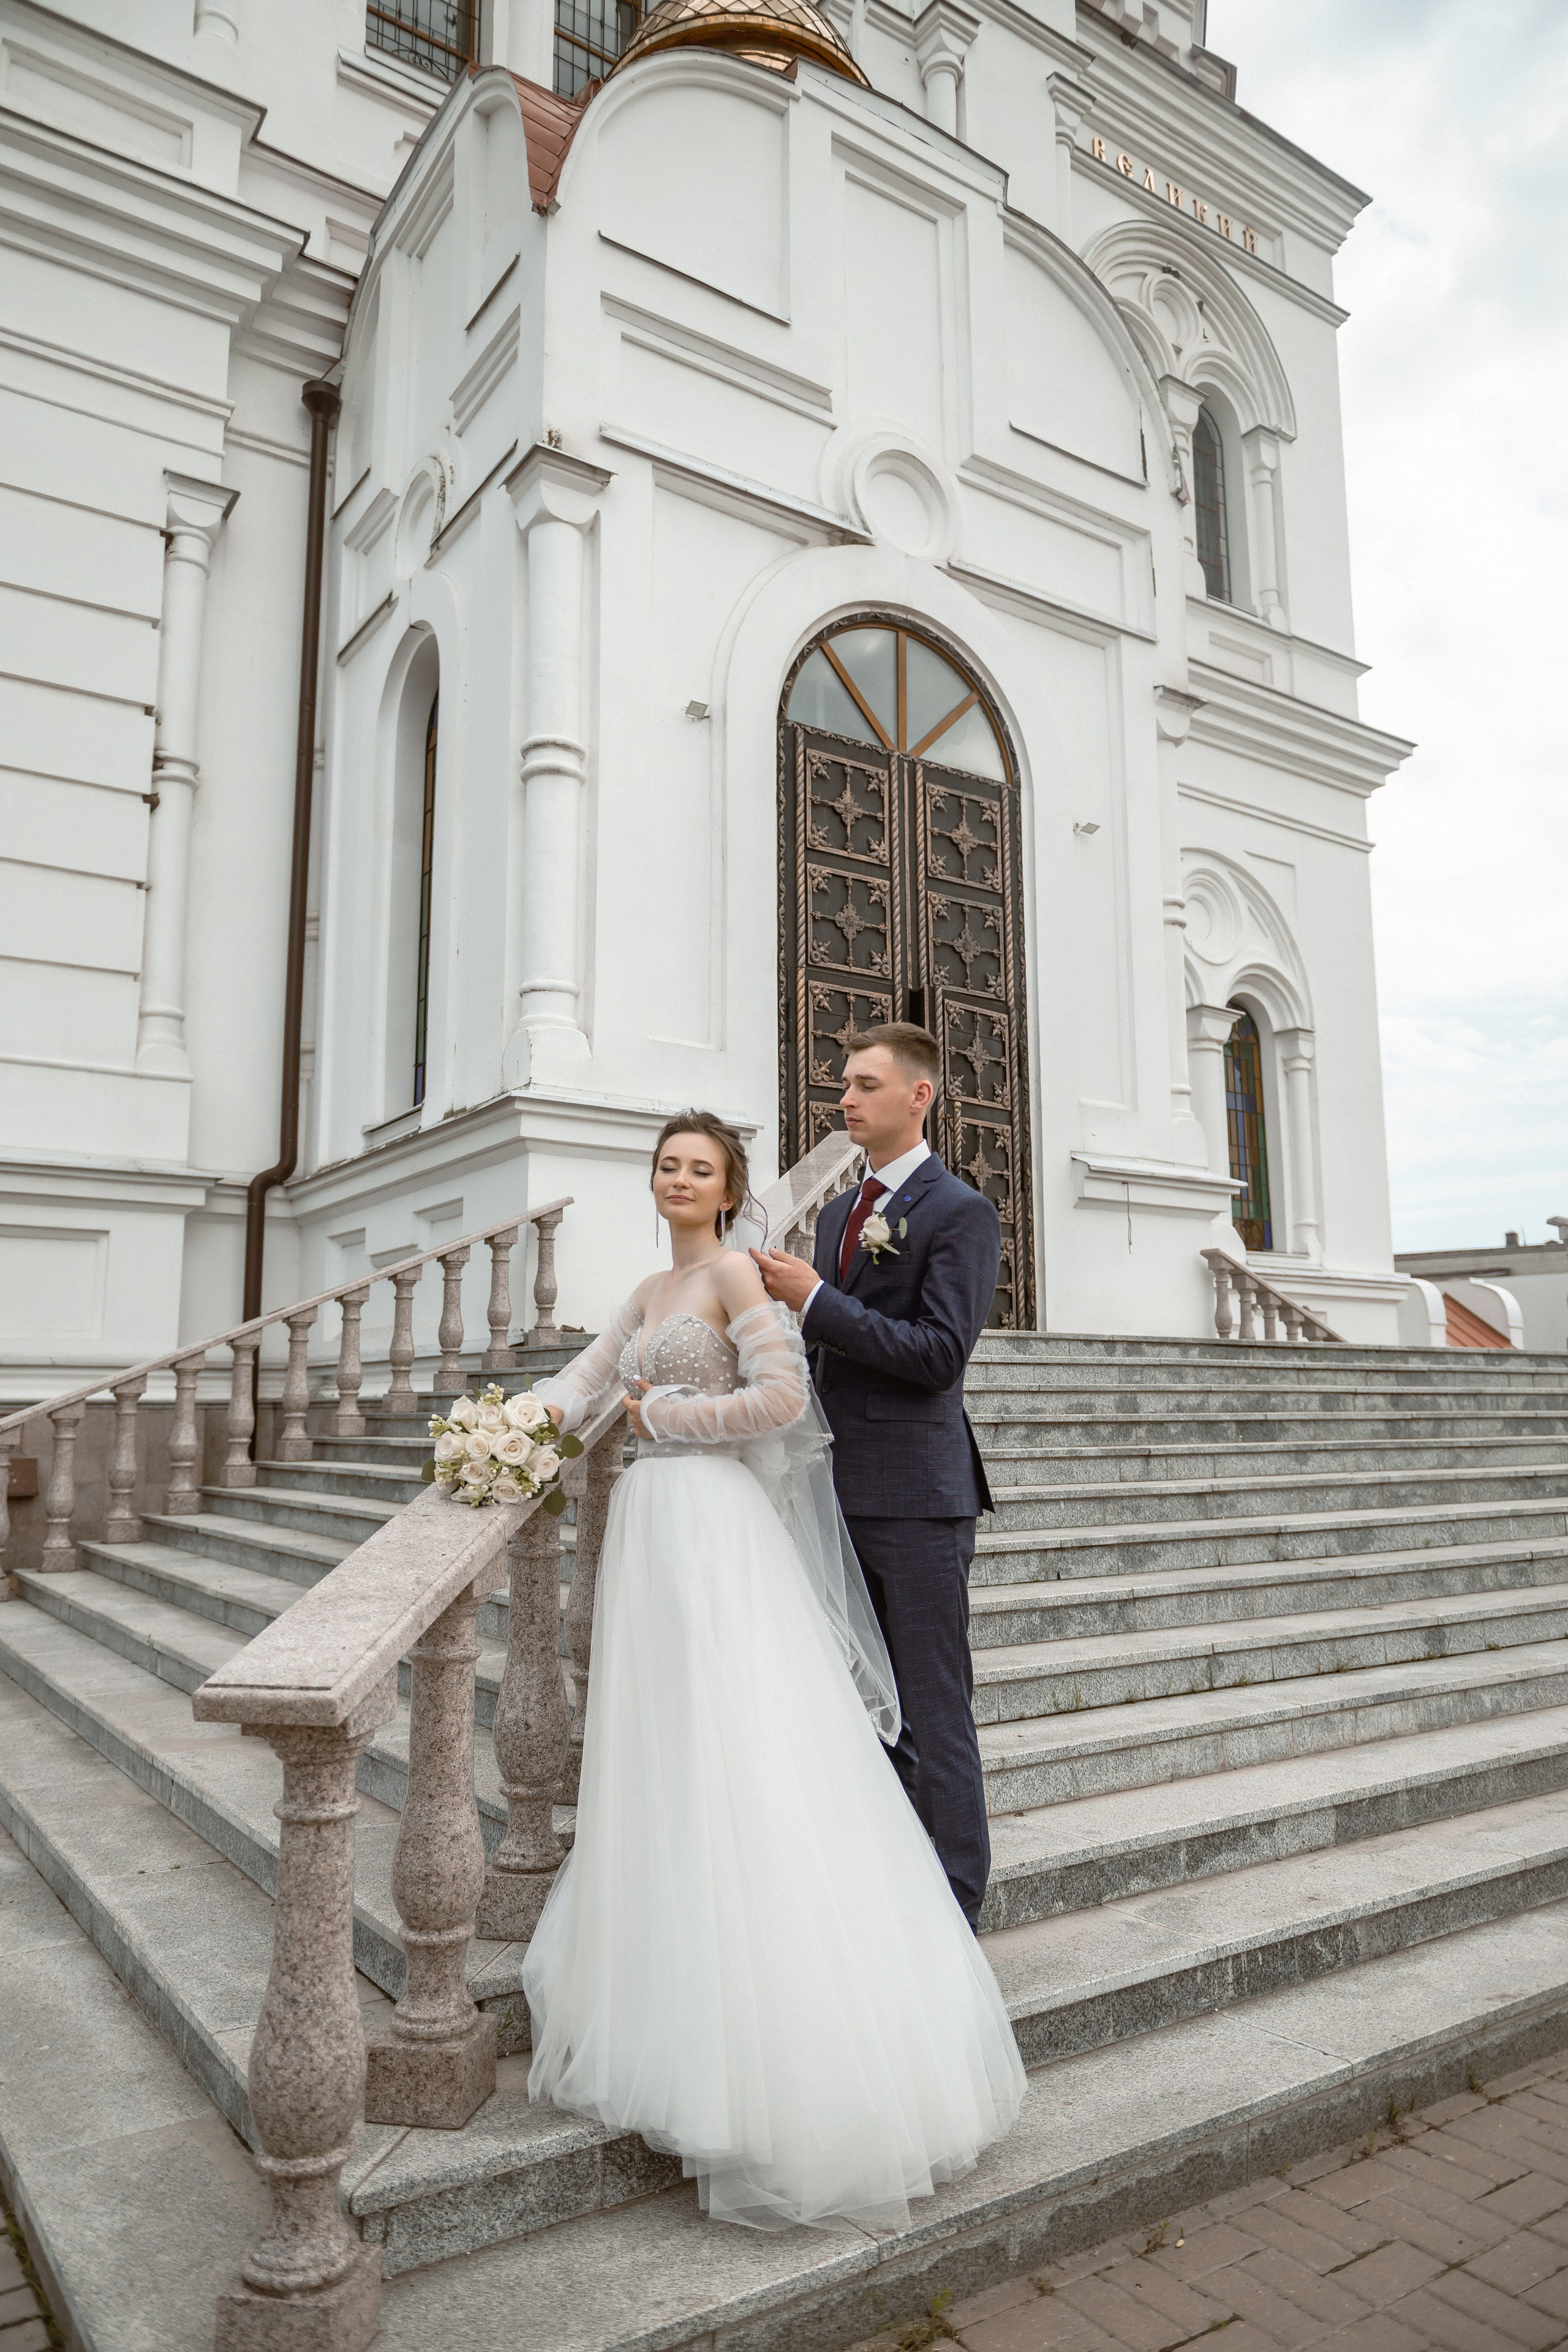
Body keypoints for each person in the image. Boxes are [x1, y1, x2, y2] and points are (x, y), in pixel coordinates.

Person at [522, 1109, 1023, 2234]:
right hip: (652, 1537)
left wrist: (669, 1415)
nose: (678, 1178)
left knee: (739, 1747)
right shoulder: (648, 1292)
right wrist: (504, 1436)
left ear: (729, 1187)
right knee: (666, 1755)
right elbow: (586, 1381)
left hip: (715, 1527)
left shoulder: (740, 1277)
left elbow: (785, 1399)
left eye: (699, 1167)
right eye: (666, 1164)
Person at [753, 1027, 999, 1931]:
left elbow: (938, 1355)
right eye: (846, 1083)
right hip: (835, 1492)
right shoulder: (834, 1218)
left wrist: (816, 1301)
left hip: (919, 1500)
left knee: (933, 1709)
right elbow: (829, 1355)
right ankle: (890, 1889)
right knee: (867, 1709)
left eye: (865, 1084)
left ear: (918, 1096)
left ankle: (956, 1904)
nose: (846, 1099)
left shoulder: (960, 1212)